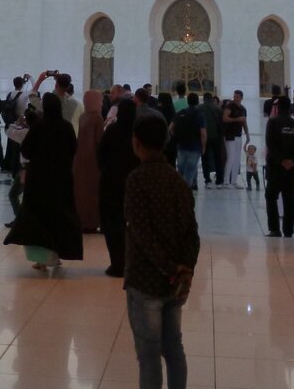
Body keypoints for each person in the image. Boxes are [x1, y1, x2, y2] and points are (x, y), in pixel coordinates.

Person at [124, 113, 200, 389]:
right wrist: (185, 270)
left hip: (146, 281)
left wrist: (170, 269)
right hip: (175, 285)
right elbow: (192, 233)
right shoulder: (178, 181)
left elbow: (141, 233)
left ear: (136, 143)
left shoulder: (137, 180)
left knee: (149, 356)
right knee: (174, 349)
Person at [5, 92, 83, 271]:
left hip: (39, 181)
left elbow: (26, 150)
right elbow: (73, 149)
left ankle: (42, 258)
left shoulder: (39, 127)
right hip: (61, 180)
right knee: (59, 217)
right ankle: (56, 254)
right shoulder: (66, 127)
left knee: (39, 220)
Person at [98, 96, 139, 277]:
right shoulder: (138, 131)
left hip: (112, 183)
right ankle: (133, 263)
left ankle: (117, 263)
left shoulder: (113, 130)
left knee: (112, 224)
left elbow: (101, 155)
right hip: (135, 185)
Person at [264, 94, 294, 238]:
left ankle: (274, 229)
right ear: (290, 108)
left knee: (271, 196)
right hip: (291, 169)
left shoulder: (272, 122)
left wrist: (281, 161)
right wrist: (292, 161)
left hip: (275, 167)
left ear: (277, 108)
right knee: (289, 198)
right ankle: (288, 230)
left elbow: (270, 144)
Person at [74, 89, 105, 232]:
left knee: (81, 193)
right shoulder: (97, 118)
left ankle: (82, 220)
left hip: (80, 161)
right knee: (92, 193)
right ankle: (92, 222)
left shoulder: (83, 117)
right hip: (93, 162)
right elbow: (100, 141)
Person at [170, 92, 206, 189]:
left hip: (181, 145)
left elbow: (170, 128)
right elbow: (203, 133)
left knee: (181, 171)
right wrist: (203, 147)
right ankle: (186, 192)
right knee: (190, 170)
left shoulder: (180, 113)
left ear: (188, 101)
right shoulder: (200, 115)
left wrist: (176, 137)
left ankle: (189, 187)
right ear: (197, 102)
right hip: (195, 146)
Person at [221, 90, 250, 188]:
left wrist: (247, 134)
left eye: (237, 97)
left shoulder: (243, 109)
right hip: (230, 135)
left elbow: (244, 122)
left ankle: (234, 181)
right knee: (231, 157)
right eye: (234, 96)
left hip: (238, 135)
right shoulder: (229, 106)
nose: (235, 98)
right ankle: (226, 181)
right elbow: (225, 118)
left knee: (237, 159)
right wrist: (237, 119)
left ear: (241, 98)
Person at [200, 92, 225, 187]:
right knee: (218, 159)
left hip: (205, 137)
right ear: (211, 99)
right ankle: (219, 180)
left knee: (205, 158)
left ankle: (207, 180)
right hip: (217, 137)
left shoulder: (200, 108)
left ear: (204, 99)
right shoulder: (218, 109)